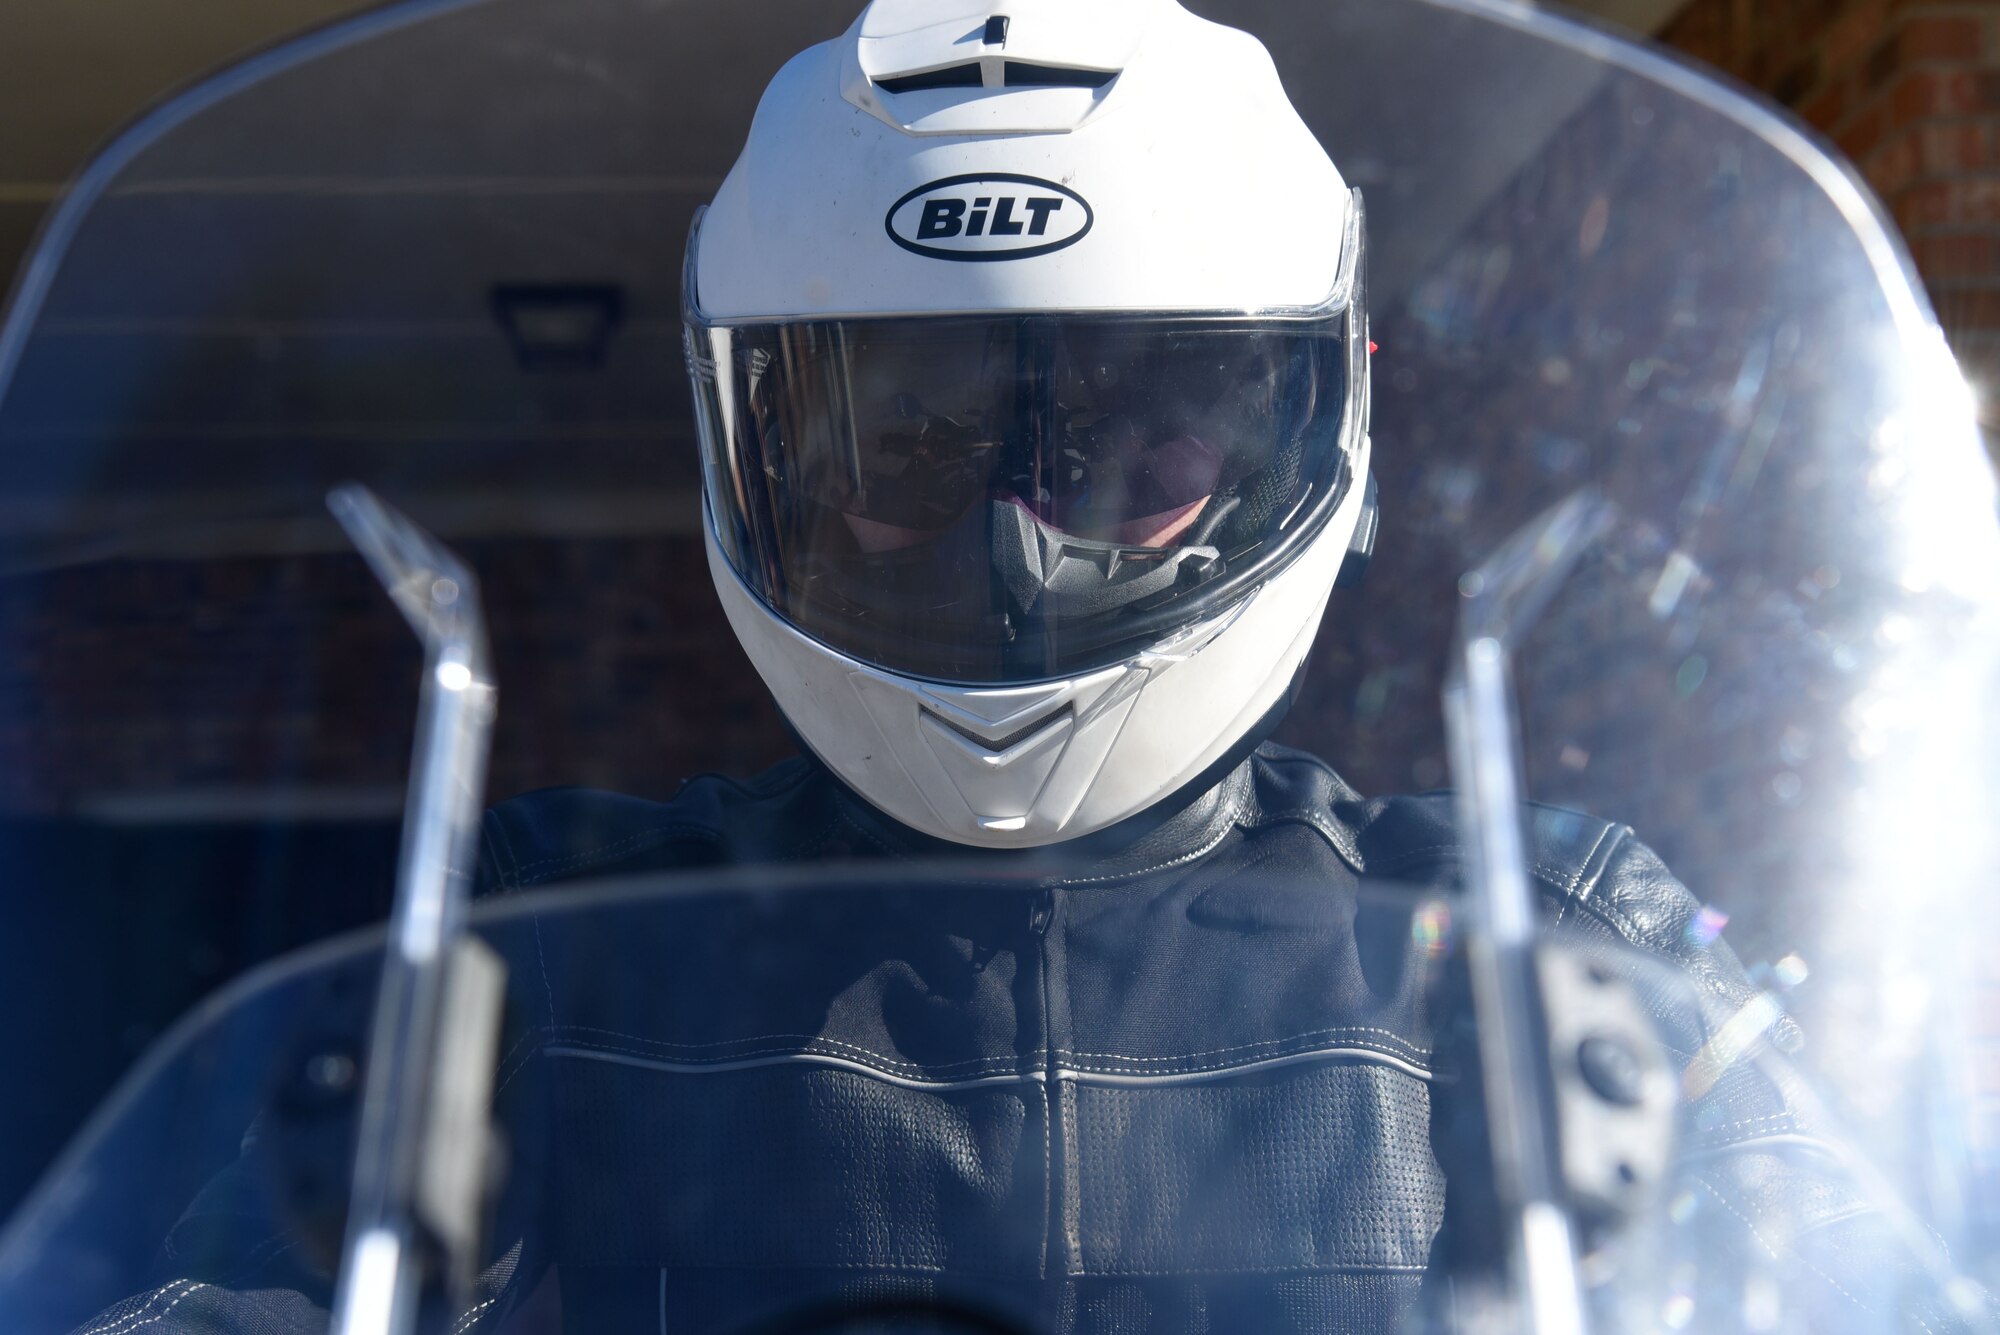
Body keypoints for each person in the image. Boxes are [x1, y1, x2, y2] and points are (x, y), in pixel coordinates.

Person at [69, 1, 1961, 1332]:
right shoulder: (551, 939)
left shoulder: (1538, 935)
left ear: (1316, 423)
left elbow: (1851, 1292)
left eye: (1134, 445)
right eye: (911, 448)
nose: (1016, 540)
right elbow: (228, 1308)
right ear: (758, 451)